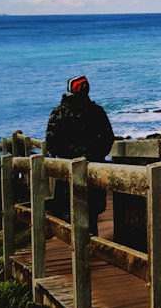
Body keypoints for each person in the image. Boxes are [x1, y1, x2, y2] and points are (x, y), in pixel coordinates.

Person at [45, 76, 115, 233]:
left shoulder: (58, 113)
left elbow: (51, 143)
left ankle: (76, 249)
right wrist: (96, 155)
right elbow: (108, 138)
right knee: (91, 212)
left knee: (68, 211)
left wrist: (63, 157)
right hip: (92, 167)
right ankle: (90, 247)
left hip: (66, 170)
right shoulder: (96, 112)